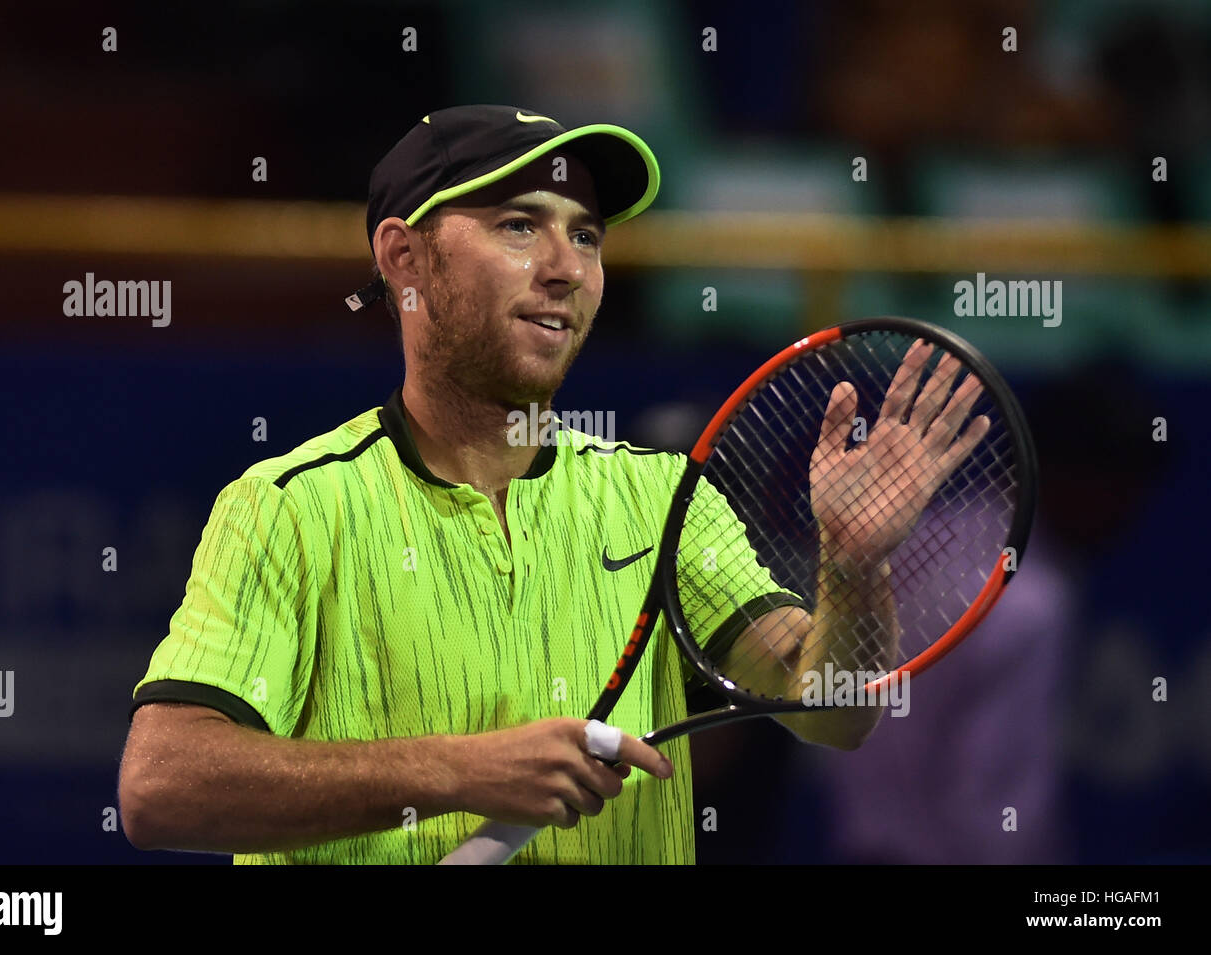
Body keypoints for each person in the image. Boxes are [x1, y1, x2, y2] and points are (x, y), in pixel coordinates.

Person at [117, 105, 983, 864]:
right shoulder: (290, 508)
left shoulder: (660, 500)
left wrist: (855, 564)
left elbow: (831, 712)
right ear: (404, 257)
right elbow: (161, 787)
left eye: (587, 234)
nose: (566, 267)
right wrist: (462, 770)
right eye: (520, 226)